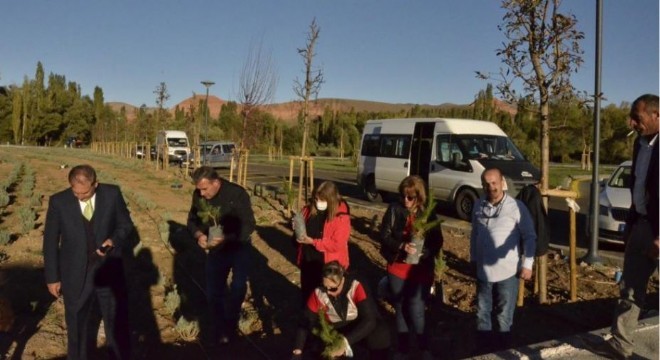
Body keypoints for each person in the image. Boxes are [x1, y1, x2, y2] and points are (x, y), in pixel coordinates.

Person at [587, 94, 659, 359]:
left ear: (656, 115)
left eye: (637, 118)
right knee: (630, 286)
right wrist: (631, 223)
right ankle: (620, 344)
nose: (632, 123)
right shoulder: (641, 145)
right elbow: (638, 186)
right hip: (641, 224)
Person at [43, 164, 134, 359]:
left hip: (108, 269)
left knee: (115, 320)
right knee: (76, 323)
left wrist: (113, 240)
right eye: (75, 193)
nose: (79, 197)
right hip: (76, 273)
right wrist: (52, 277)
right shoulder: (59, 202)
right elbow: (50, 241)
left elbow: (125, 224)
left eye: (84, 193)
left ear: (95, 184)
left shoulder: (112, 194)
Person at [187, 166, 256, 344]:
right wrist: (199, 236)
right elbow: (192, 220)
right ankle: (219, 329)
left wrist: (227, 237)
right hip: (216, 251)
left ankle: (231, 324)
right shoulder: (198, 196)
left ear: (216, 183)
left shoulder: (237, 194)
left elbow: (249, 224)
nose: (201, 194)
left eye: (204, 189)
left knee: (238, 287)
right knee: (213, 292)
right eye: (198, 189)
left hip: (239, 247)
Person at [470, 167, 536, 353]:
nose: (491, 187)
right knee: (482, 312)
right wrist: (473, 258)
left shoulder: (516, 207)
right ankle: (483, 350)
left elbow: (529, 237)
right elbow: (475, 233)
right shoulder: (478, 205)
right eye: (486, 184)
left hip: (508, 272)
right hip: (484, 271)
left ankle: (502, 351)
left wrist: (527, 265)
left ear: (502, 183)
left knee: (503, 315)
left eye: (494, 183)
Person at [379, 175, 443, 359]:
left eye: (410, 197)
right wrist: (401, 246)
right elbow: (384, 235)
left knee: (416, 308)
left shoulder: (428, 214)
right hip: (398, 267)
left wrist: (425, 253)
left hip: (420, 269)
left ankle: (424, 348)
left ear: (419, 197)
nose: (405, 201)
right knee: (401, 308)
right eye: (403, 196)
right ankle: (403, 349)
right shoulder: (394, 209)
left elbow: (437, 241)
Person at [291, 261, 390, 359]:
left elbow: (370, 319)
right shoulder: (318, 293)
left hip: (359, 326)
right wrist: (297, 350)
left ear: (342, 280)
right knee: (321, 349)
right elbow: (305, 321)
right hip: (335, 331)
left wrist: (345, 342)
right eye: (325, 287)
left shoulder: (355, 286)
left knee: (380, 334)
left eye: (333, 289)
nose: (328, 292)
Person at [292, 181, 351, 305]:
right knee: (308, 297)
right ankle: (308, 320)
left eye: (322, 199)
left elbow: (337, 244)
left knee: (326, 301)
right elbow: (297, 238)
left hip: (328, 266)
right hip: (308, 263)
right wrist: (296, 229)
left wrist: (313, 242)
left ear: (331, 199)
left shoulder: (341, 216)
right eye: (316, 198)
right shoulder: (308, 210)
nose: (318, 202)